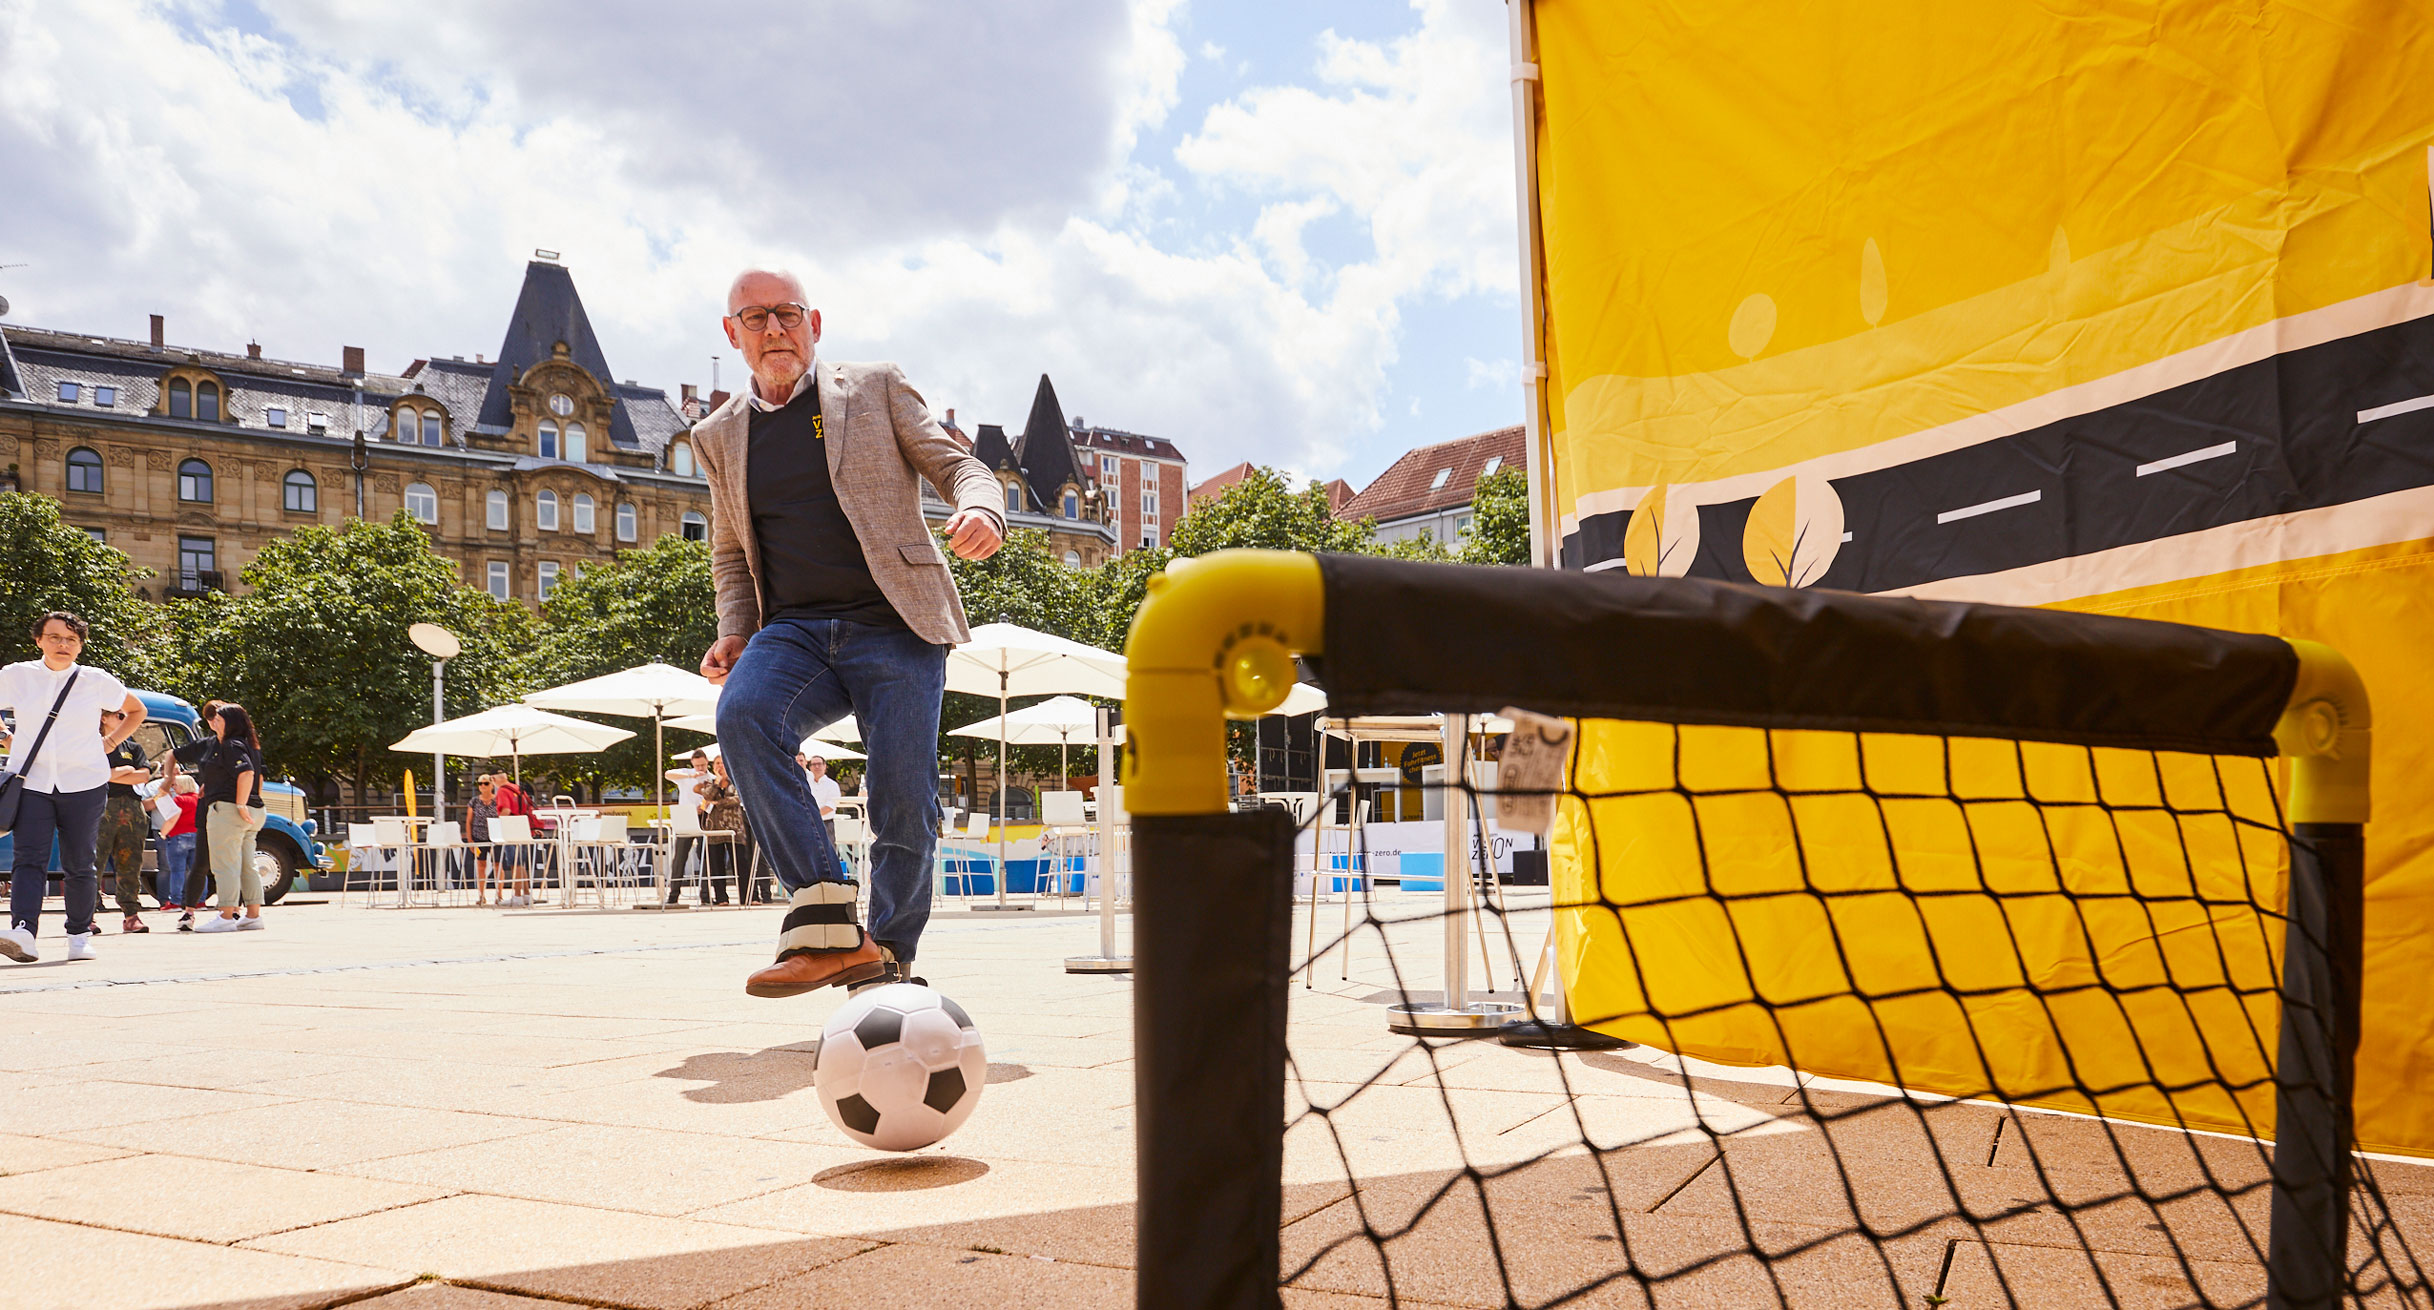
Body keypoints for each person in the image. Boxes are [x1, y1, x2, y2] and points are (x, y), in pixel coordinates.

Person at [698, 267, 1003, 997]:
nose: (775, 329)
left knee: (904, 795)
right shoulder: (716, 435)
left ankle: (888, 961)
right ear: (732, 333)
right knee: (742, 715)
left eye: (788, 314)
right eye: (757, 318)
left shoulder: (874, 389)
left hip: (895, 621)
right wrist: (735, 630)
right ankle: (830, 923)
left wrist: (984, 511)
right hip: (796, 630)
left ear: (815, 324)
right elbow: (732, 550)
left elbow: (960, 467)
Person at [0, 612, 147, 963]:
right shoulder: (17, 675)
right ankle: (23, 931)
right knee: (28, 859)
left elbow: (135, 710)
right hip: (31, 781)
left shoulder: (95, 680)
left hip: (85, 782)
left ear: (80, 645)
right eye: (54, 637)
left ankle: (79, 934)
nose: (62, 645)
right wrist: (6, 737)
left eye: (71, 639)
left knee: (80, 862)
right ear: (39, 641)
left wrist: (109, 743)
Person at [175, 702, 267, 932]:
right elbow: (258, 777)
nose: (214, 721)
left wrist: (240, 803)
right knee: (248, 864)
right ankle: (253, 915)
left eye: (219, 718)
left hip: (229, 810)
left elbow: (246, 772)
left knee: (224, 864)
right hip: (254, 810)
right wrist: (251, 801)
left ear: (231, 722)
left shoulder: (230, 745)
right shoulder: (250, 744)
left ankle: (226, 915)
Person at [98, 708, 155, 933]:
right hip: (103, 806)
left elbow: (143, 775)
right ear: (104, 718)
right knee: (93, 862)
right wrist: (124, 770)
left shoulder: (133, 747)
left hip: (132, 808)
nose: (124, 719)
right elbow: (97, 774)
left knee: (130, 863)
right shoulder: (95, 746)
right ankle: (86, 916)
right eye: (119, 716)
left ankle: (131, 914)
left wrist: (114, 772)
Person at [663, 750, 717, 906]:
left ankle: (705, 894)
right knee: (680, 856)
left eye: (703, 765)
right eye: (697, 765)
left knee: (705, 856)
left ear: (707, 762)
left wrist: (704, 807)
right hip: (686, 816)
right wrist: (689, 776)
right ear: (692, 763)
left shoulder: (712, 778)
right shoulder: (686, 774)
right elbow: (668, 774)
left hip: (704, 816)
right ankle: (674, 894)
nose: (700, 768)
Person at [154, 768, 201, 929]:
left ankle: (175, 901)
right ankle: (200, 900)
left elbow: (172, 817)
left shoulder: (179, 800)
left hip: (178, 836)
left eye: (176, 785)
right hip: (196, 836)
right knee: (198, 870)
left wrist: (163, 833)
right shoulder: (198, 799)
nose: (174, 788)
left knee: (177, 871)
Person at [490, 773, 536, 907]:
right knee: (521, 862)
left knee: (514, 862)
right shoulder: (517, 788)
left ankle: (516, 896)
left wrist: (498, 824)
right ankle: (526, 894)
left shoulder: (503, 791)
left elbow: (506, 809)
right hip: (524, 826)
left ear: (494, 779)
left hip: (511, 827)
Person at [465, 776, 500, 905]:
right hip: (479, 835)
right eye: (480, 783)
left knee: (498, 865)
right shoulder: (474, 801)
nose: (483, 786)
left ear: (491, 785)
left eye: (486, 783)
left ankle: (500, 895)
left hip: (496, 835)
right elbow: (469, 821)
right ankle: (481, 895)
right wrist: (470, 840)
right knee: (481, 865)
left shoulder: (497, 800)